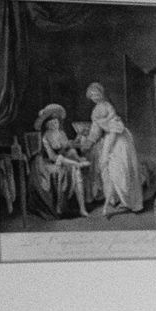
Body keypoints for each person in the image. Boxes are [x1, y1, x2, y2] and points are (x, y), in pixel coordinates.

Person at [78, 82, 143, 217]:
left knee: (122, 169)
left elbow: (115, 126)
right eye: (92, 96)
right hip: (109, 138)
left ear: (101, 93)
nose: (95, 97)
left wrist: (107, 148)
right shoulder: (95, 111)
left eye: (96, 94)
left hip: (119, 140)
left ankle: (129, 202)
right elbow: (95, 131)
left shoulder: (108, 107)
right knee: (110, 170)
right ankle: (116, 199)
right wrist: (88, 143)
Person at [29, 104, 90, 219]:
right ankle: (77, 164)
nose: (54, 125)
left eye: (56, 122)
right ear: (46, 125)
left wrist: (77, 143)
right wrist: (69, 161)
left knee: (75, 166)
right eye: (51, 123)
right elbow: (52, 156)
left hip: (61, 158)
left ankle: (82, 209)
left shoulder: (61, 133)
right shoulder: (45, 137)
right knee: (69, 164)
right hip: (45, 162)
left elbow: (67, 148)